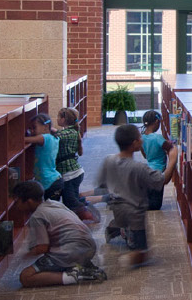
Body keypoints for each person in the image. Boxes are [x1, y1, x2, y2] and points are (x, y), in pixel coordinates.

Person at [97, 123, 180, 269]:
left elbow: (102, 184)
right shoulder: (138, 168)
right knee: (143, 253)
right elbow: (162, 180)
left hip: (116, 208)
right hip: (135, 214)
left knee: (123, 221)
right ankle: (116, 263)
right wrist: (173, 158)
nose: (142, 139)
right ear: (134, 144)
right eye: (139, 137)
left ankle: (117, 228)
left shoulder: (109, 160)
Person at [10, 180, 105, 286]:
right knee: (49, 263)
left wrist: (25, 255)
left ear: (29, 201)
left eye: (17, 201)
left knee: (26, 276)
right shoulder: (54, 203)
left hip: (71, 251)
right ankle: (79, 267)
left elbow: (43, 248)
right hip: (89, 247)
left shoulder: (37, 216)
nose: (15, 205)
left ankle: (76, 276)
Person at [51, 108, 98, 221]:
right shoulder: (74, 131)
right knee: (73, 197)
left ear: (63, 119)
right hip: (74, 173)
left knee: (70, 201)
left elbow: (57, 136)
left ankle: (88, 214)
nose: (56, 119)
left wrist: (46, 130)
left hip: (70, 174)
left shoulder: (68, 133)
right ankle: (83, 209)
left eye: (58, 116)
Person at [24, 111, 61, 199]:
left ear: (46, 127)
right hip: (54, 180)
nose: (32, 131)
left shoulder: (45, 138)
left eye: (34, 127)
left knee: (51, 209)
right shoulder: (54, 138)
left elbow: (26, 140)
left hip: (49, 182)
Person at [138, 110, 169, 210]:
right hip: (159, 169)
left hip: (149, 167)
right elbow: (170, 148)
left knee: (150, 194)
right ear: (156, 122)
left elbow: (145, 155)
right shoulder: (158, 138)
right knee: (156, 203)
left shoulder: (142, 137)